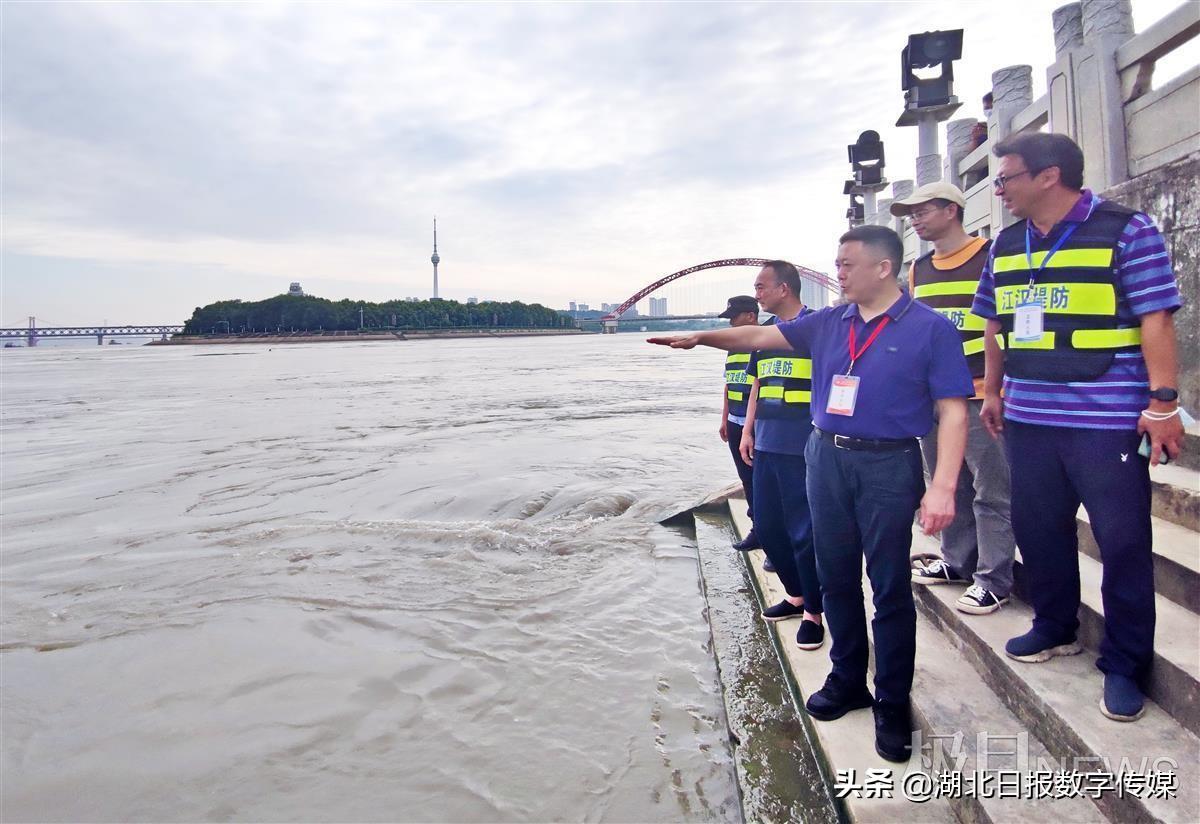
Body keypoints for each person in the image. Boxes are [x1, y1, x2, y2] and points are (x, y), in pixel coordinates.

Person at [649, 226, 973, 762]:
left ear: (883, 268)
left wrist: (942, 487)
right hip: (824, 457)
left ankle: (892, 700)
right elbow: (756, 338)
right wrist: (701, 338)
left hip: (889, 463)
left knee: (889, 584)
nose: (837, 273)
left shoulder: (929, 329)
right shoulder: (826, 323)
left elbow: (954, 409)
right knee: (834, 572)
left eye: (846, 264)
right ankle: (847, 677)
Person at [973, 131, 1185, 723]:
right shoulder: (1008, 243)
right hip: (1030, 417)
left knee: (1122, 543)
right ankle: (1054, 625)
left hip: (1106, 420)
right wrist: (994, 390)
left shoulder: (1125, 229)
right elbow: (993, 321)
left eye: (1006, 178)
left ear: (1048, 176)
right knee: (1039, 529)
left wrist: (1162, 403)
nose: (1000, 190)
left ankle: (1124, 664)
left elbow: (1156, 318)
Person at [891, 182, 1016, 616]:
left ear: (951, 210)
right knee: (951, 482)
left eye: (923, 211)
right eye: (911, 214)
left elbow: (1000, 326)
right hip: (934, 399)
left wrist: (996, 391)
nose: (915, 220)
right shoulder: (917, 269)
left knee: (991, 488)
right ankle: (958, 561)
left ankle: (995, 578)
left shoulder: (990, 257)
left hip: (980, 393)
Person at [739, 262, 824, 651]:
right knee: (770, 527)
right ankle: (795, 595)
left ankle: (814, 613)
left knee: (803, 532)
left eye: (762, 286)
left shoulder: (814, 329)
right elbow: (757, 383)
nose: (757, 293)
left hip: (801, 446)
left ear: (784, 288)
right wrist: (747, 429)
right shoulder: (764, 336)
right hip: (767, 443)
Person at [717, 295, 763, 551]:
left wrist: (750, 426)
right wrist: (724, 419)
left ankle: (771, 536)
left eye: (734, 317)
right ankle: (758, 529)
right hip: (735, 423)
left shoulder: (765, 344)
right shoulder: (734, 347)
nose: (732, 323)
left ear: (750, 316)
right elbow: (728, 385)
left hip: (756, 425)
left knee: (763, 481)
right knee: (746, 479)